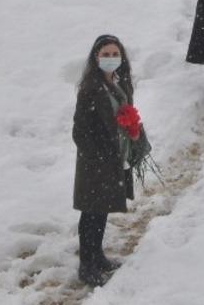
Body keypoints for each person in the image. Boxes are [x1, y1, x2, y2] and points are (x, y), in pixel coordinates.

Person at [72, 34, 139, 287]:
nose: (111, 59)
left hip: (114, 157)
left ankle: (97, 256)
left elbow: (123, 114)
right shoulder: (91, 89)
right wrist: (99, 154)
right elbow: (79, 132)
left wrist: (132, 132)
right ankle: (86, 265)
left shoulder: (119, 83)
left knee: (101, 211)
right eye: (105, 55)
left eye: (114, 55)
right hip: (96, 162)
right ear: (96, 58)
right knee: (91, 213)